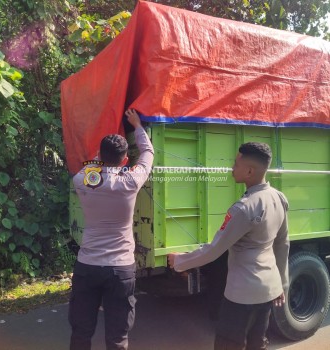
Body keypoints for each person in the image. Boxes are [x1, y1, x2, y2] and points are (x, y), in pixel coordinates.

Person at [168, 142, 289, 350]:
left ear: (250, 171)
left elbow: (215, 250)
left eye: (235, 164)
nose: (231, 168)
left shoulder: (243, 208)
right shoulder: (278, 197)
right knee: (256, 344)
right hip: (269, 289)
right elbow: (282, 243)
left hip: (242, 294)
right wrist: (281, 284)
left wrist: (179, 261)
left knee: (229, 345)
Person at [69, 109, 154, 350]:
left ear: (100, 156)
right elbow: (147, 153)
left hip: (88, 265)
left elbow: (91, 167)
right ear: (126, 159)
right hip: (120, 269)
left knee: (81, 332)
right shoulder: (130, 181)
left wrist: (100, 157)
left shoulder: (83, 180)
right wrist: (137, 126)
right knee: (118, 337)